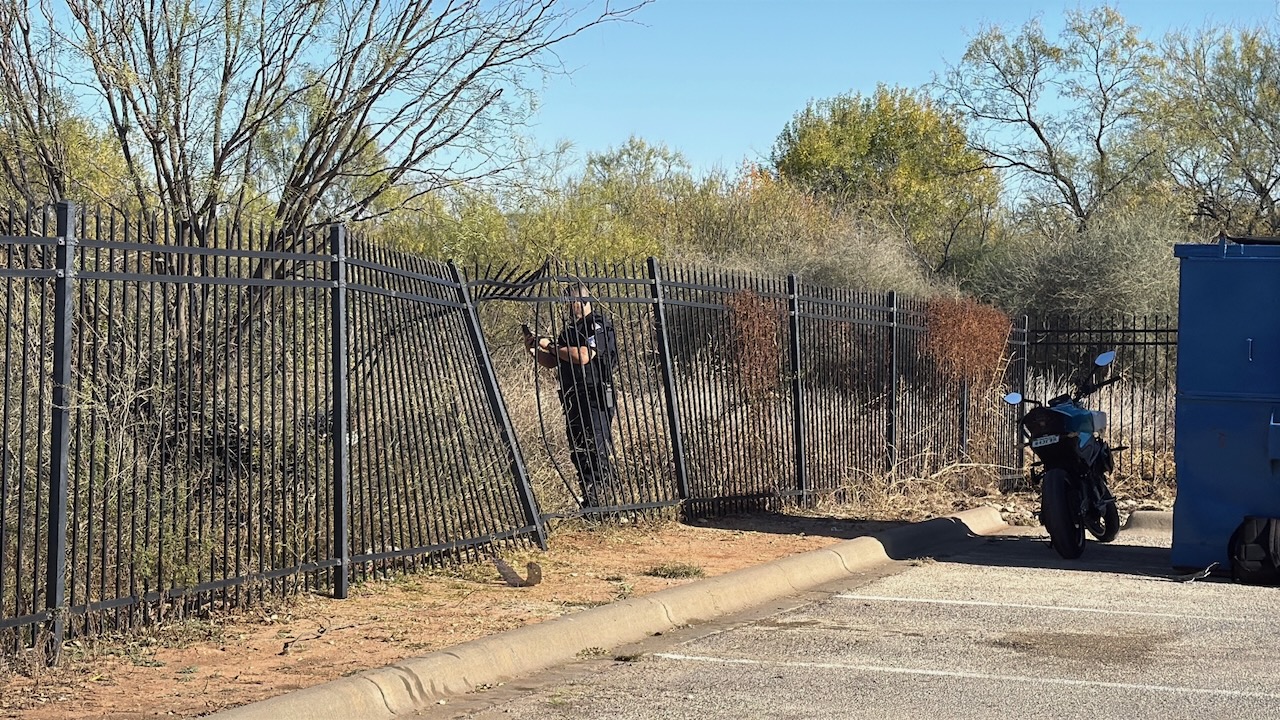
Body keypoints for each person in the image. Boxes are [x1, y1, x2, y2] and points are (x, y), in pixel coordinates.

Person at [525, 283, 620, 510]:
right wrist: (534, 349)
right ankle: (591, 502)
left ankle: (607, 503)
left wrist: (551, 345)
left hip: (594, 396)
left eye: (570, 302)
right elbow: (552, 362)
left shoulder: (597, 325)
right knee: (579, 450)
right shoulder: (568, 331)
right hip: (572, 397)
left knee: (596, 448)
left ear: (582, 301)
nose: (567, 307)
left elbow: (584, 355)